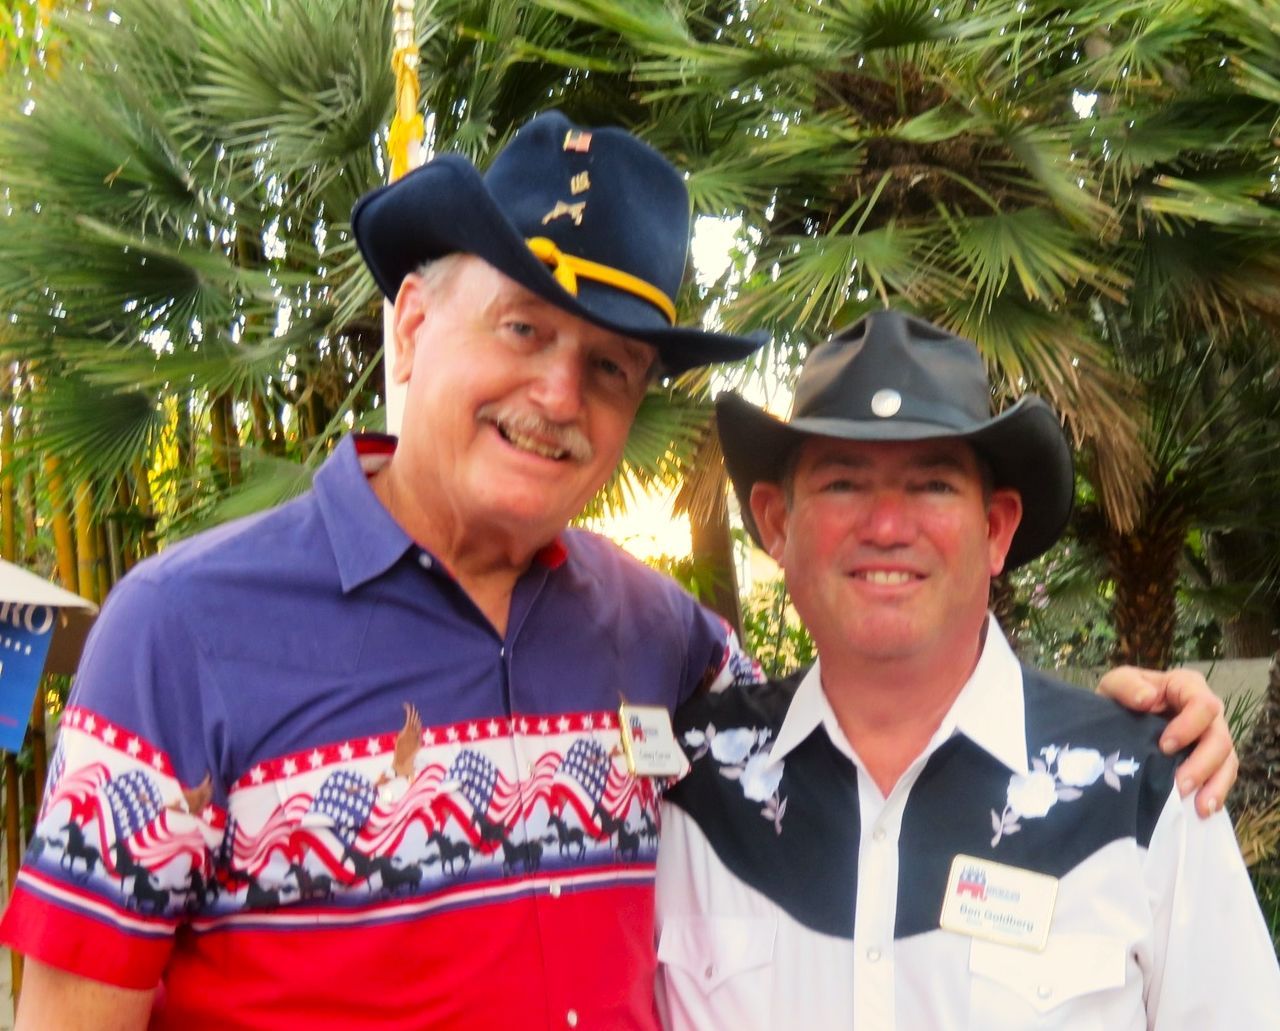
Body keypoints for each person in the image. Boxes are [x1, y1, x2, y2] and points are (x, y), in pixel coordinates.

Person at [0, 114, 1233, 1030]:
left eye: (607, 368)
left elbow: (878, 692)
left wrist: (1119, 721)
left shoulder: (666, 646)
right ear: (416, 325)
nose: (556, 395)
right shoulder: (181, 629)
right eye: (523, 328)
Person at [655, 310, 1278, 1029]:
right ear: (775, 523)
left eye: (933, 485)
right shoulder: (687, 782)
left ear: (996, 528)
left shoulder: (1142, 784)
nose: (887, 526)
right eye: (843, 483)